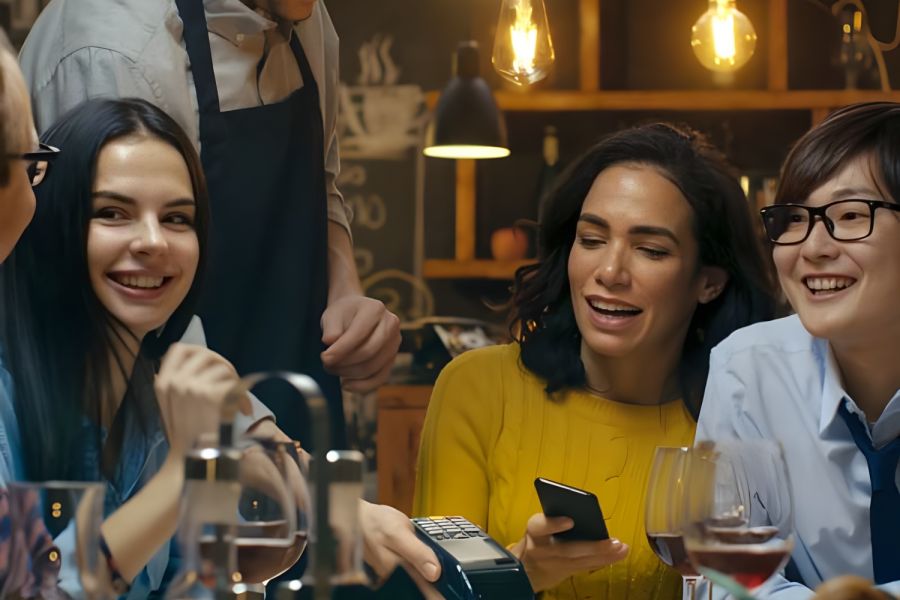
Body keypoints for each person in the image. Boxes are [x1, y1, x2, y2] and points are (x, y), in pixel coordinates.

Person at [0, 97, 440, 597]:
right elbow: (33, 591)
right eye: (112, 213)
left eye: (177, 219)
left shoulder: (159, 397)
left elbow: (204, 579)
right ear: (53, 223)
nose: (153, 242)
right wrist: (183, 471)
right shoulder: (8, 399)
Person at [414, 123, 777, 599]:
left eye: (650, 250)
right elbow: (431, 590)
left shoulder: (734, 422)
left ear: (708, 281)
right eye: (591, 239)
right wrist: (520, 574)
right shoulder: (479, 389)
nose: (609, 272)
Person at [18, 0, 401, 448]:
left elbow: (323, 181)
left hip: (285, 400)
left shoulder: (302, 13)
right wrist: (271, 456)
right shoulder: (113, 50)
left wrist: (346, 292)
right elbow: (128, 306)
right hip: (149, 427)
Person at [696, 102, 900, 598]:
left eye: (850, 214)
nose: (811, 247)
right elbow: (722, 578)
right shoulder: (748, 372)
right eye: (793, 219)